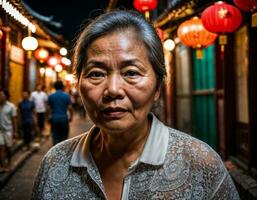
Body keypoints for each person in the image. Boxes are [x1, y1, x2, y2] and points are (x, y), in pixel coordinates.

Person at [32, 10, 239, 199]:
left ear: (158, 87)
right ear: (78, 84)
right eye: (96, 74)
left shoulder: (202, 165)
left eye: (131, 73)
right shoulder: (55, 163)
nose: (113, 90)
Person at [47, 80, 73, 145]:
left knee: (55, 135)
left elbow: (48, 108)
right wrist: (71, 117)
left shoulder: (51, 96)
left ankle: (55, 150)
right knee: (64, 136)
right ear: (62, 87)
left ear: (54, 87)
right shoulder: (66, 96)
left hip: (54, 118)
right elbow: (70, 108)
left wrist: (48, 117)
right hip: (64, 118)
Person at [0, 90, 17, 172]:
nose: (0, 96)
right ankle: (3, 166)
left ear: (6, 96)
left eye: (1, 95)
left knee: (8, 148)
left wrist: (15, 131)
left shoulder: (11, 106)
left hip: (8, 131)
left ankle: (9, 163)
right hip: (0, 131)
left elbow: (14, 120)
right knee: (1, 148)